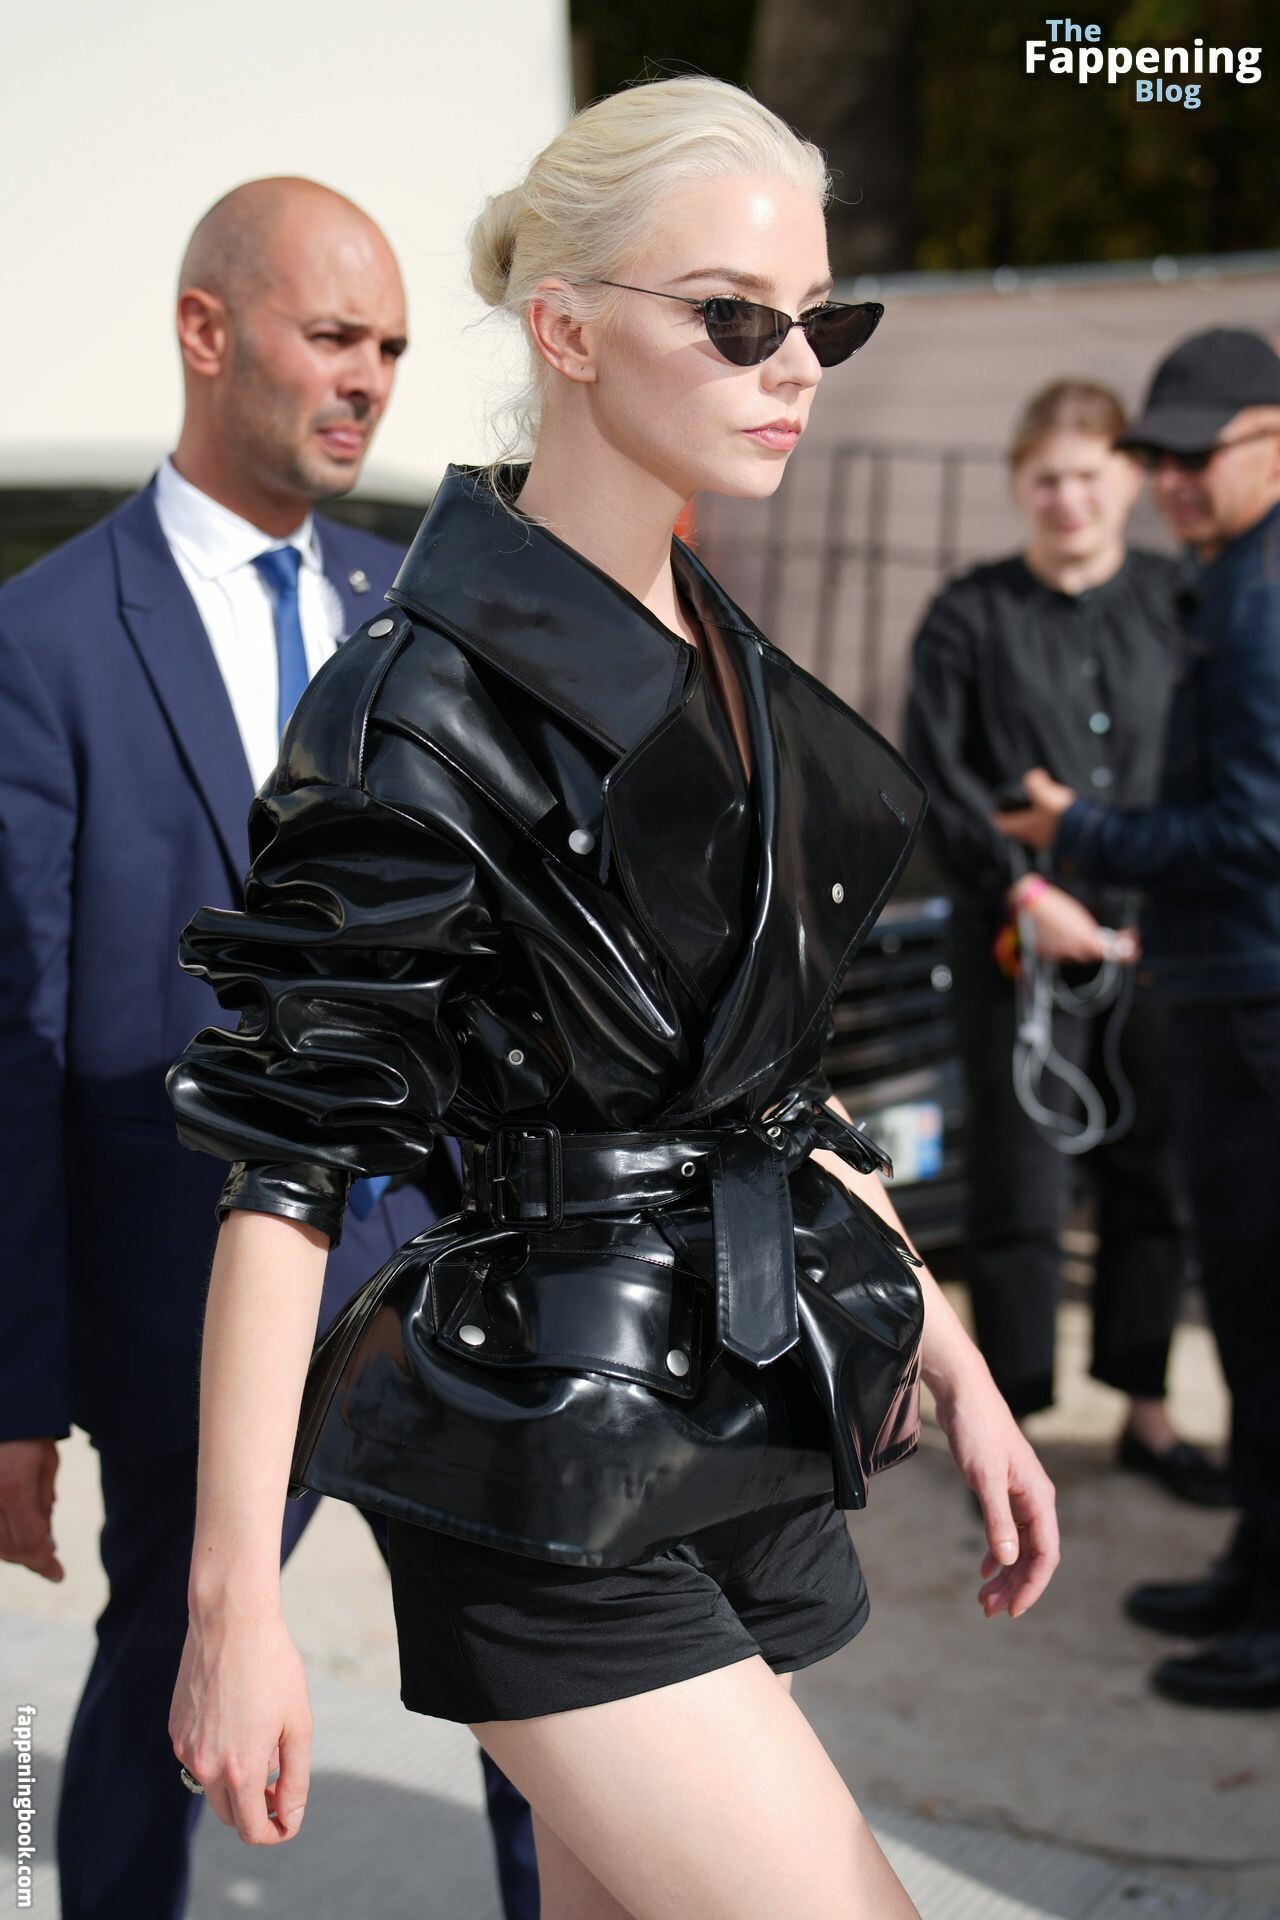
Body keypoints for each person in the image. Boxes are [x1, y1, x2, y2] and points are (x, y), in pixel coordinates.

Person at [165, 78, 1059, 1917]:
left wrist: (959, 1362)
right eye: (736, 318)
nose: (793, 366)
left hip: (733, 1413)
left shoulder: (733, 665)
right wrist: (233, 1603)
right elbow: (288, 1169)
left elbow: (773, 1094)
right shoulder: (417, 704)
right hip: (540, 1462)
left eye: (821, 324)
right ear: (564, 330)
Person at [0, 176, 536, 1919]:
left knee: (536, 1682)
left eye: (392, 345)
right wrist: (14, 1389)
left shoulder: (420, 612)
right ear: (207, 330)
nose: (371, 375)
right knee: (165, 1677)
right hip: (181, 1284)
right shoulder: (44, 638)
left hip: (442, 1265)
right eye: (334, 335)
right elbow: (17, 1042)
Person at [994, 327, 1280, 1711]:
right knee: (1249, 1313)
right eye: (1151, 454)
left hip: (1254, 1005)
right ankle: (1255, 1568)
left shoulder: (1263, 596)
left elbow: (1257, 828)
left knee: (1264, 1315)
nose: (1166, 479)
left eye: (1191, 453)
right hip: (1225, 993)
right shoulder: (1237, 578)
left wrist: (1083, 830)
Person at [904, 380, 1229, 1506]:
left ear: (1128, 479)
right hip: (1019, 947)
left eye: (1088, 475)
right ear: (1017, 484)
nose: (1068, 498)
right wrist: (1024, 890)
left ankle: (1145, 1410)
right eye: (1045, 478)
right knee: (1020, 1190)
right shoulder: (967, 614)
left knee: (1154, 1182)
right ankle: (1015, 1428)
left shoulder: (1182, 601)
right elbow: (938, 780)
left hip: (1156, 942)